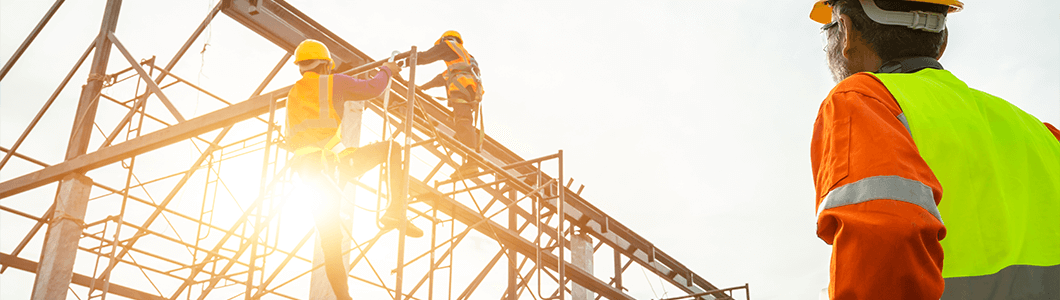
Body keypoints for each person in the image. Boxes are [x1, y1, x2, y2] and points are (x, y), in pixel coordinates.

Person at [808, 0, 1060, 299]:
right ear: (942, 43)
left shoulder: (865, 101)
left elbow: (883, 246)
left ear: (846, 33)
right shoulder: (1041, 133)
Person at [286, 39, 424, 300]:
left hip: (311, 174)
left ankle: (343, 298)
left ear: (301, 68)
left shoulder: (294, 94)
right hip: (333, 165)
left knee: (330, 240)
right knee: (392, 148)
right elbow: (372, 88)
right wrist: (388, 70)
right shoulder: (333, 82)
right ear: (326, 65)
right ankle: (395, 211)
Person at [414, 30, 485, 176]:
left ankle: (472, 162)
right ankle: (469, 162)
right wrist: (421, 88)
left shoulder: (448, 45)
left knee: (463, 122)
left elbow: (425, 57)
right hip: (470, 91)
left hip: (462, 89)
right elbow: (441, 78)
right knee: (462, 123)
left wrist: (400, 61)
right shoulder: (464, 59)